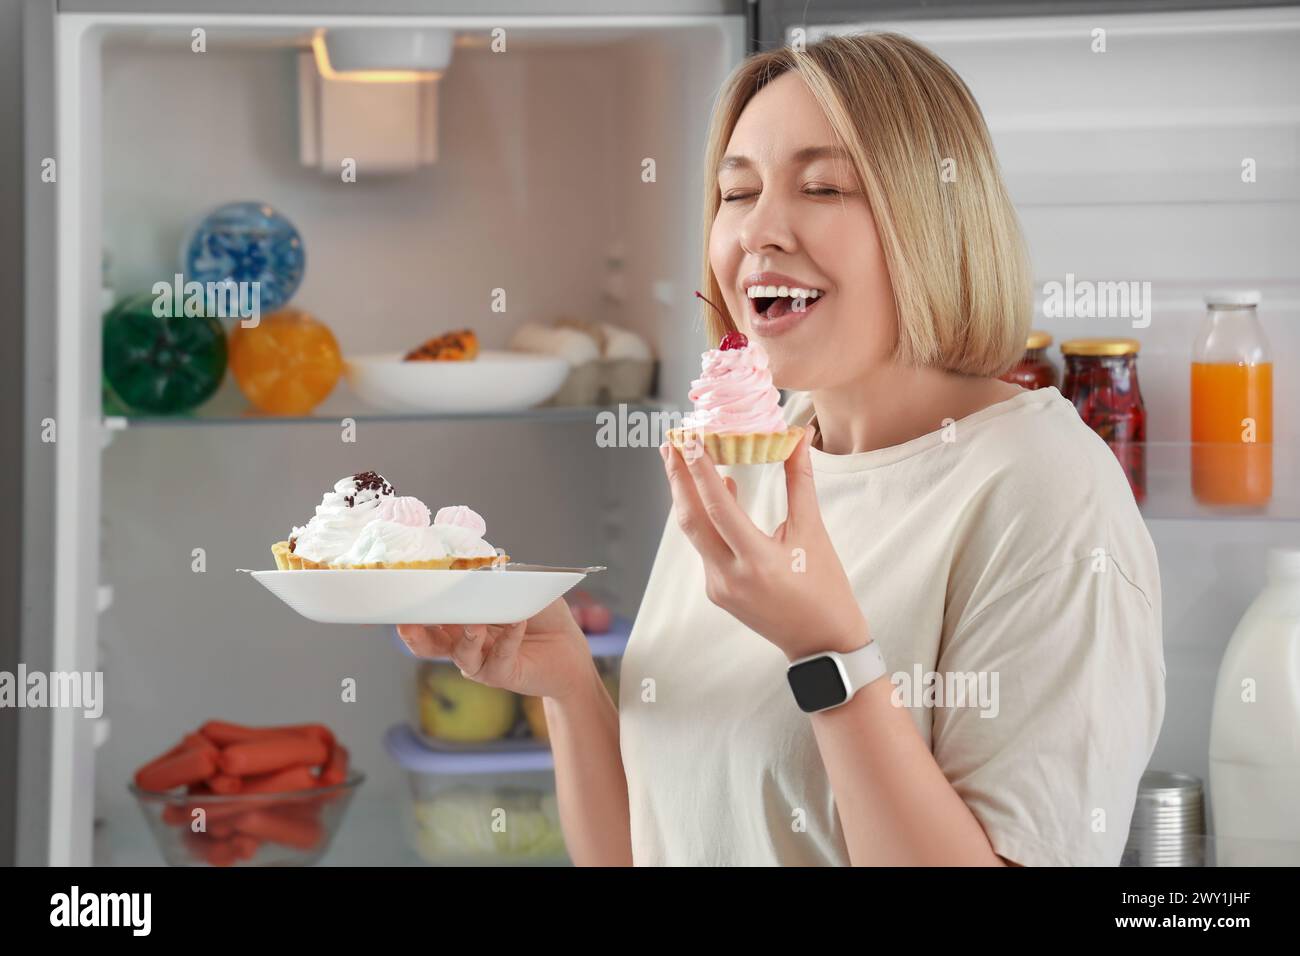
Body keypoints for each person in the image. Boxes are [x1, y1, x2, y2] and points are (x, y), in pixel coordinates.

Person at [398, 32, 1165, 867]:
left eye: (824, 186)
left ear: (936, 218)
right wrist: (574, 691)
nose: (758, 233)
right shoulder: (746, 456)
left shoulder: (1045, 491)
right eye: (736, 193)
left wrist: (827, 654)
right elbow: (646, 849)